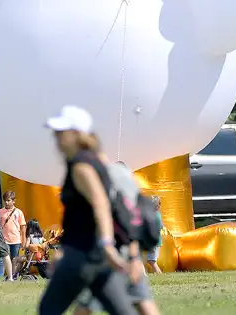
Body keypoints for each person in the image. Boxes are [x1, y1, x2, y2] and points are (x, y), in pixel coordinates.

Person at [38, 105, 134, 315]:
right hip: (97, 257)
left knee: (48, 310)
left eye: (60, 133)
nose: (56, 138)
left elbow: (101, 204)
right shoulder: (95, 159)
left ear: (76, 134)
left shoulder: (81, 167)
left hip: (81, 255)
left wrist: (107, 244)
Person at [74, 158, 160, 315]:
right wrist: (134, 258)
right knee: (142, 301)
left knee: (85, 305)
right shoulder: (132, 197)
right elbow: (133, 229)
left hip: (104, 256)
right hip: (126, 253)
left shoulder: (104, 197)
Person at [0, 191, 26, 279]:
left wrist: (23, 240)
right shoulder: (0, 212)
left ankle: (13, 276)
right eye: (5, 200)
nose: (6, 202)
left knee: (14, 259)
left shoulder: (18, 212)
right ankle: (0, 276)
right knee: (2, 259)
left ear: (14, 201)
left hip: (15, 240)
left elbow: (23, 227)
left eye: (8, 200)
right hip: (4, 239)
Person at [144, 196, 162, 274]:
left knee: (152, 261)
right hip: (154, 241)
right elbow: (161, 226)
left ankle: (159, 275)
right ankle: (158, 274)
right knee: (151, 260)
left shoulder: (154, 215)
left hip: (154, 241)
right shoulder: (157, 214)